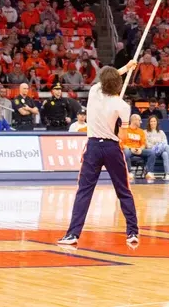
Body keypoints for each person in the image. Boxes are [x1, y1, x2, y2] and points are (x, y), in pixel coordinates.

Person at [57, 61, 140, 247]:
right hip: (112, 148)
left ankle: (73, 234)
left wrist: (125, 68)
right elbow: (123, 136)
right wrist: (127, 69)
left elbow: (109, 77)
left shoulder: (94, 92)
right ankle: (132, 232)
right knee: (124, 190)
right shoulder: (122, 106)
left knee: (84, 191)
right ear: (118, 85)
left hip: (93, 146)